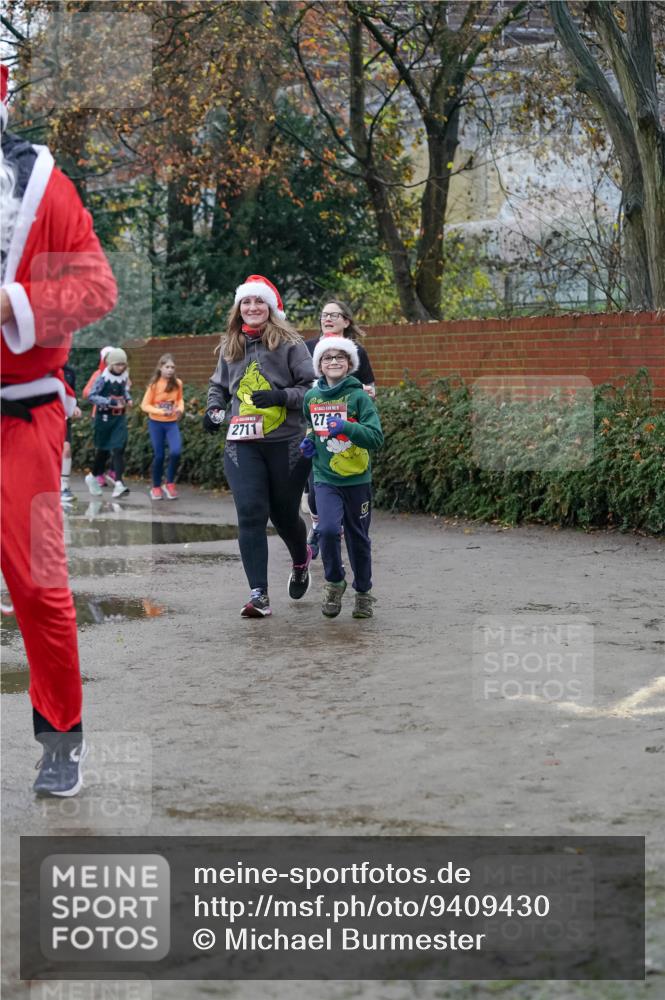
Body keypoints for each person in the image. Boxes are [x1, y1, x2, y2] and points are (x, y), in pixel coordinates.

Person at [0, 63, 118, 795]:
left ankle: (61, 742)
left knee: (40, 584)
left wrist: (13, 303)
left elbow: (97, 288)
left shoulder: (43, 184)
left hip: (23, 413)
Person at [204, 274, 315, 618]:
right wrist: (213, 409)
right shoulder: (229, 345)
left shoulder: (290, 343)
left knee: (284, 516)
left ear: (270, 307)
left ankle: (300, 561)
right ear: (239, 309)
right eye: (246, 302)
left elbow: (311, 388)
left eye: (259, 302)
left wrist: (282, 396)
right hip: (242, 444)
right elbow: (218, 387)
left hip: (287, 443)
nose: (252, 308)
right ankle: (259, 595)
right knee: (251, 513)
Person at [301, 334, 383, 619]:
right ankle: (335, 582)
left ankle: (363, 592)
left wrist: (347, 428)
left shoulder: (359, 397)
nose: (333, 361)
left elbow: (375, 438)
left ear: (349, 364)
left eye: (339, 357)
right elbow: (311, 427)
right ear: (319, 366)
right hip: (325, 479)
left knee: (358, 539)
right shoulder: (311, 397)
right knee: (326, 530)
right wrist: (309, 442)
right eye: (327, 357)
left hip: (357, 480)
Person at [304, 299, 376, 558]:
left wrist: (367, 394)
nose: (328, 319)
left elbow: (370, 385)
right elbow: (299, 382)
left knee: (347, 482)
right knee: (314, 488)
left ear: (346, 321)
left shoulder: (357, 351)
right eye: (324, 315)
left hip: (349, 432)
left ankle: (348, 532)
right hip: (316, 427)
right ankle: (318, 524)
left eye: (334, 315)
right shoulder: (309, 347)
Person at [84, 348, 132, 499]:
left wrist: (128, 399)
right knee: (103, 451)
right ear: (111, 364)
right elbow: (92, 396)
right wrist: (109, 401)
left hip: (119, 418)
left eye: (123, 365)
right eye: (118, 365)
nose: (121, 368)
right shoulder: (102, 378)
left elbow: (124, 391)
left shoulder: (124, 377)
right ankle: (93, 476)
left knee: (118, 447)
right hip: (104, 418)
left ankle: (119, 483)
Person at [140, 353, 184, 499]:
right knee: (159, 455)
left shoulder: (177, 383)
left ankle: (169, 483)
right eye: (167, 367)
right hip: (156, 423)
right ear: (160, 368)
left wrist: (180, 409)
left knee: (176, 452)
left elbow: (179, 400)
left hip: (171, 424)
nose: (170, 370)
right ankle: (156, 487)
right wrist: (160, 411)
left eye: (172, 367)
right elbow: (144, 405)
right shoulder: (153, 385)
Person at [60, 360, 82, 506]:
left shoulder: (70, 372)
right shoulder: (41, 368)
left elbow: (72, 394)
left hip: (63, 417)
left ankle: (64, 487)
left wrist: (76, 407)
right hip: (45, 417)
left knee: (66, 449)